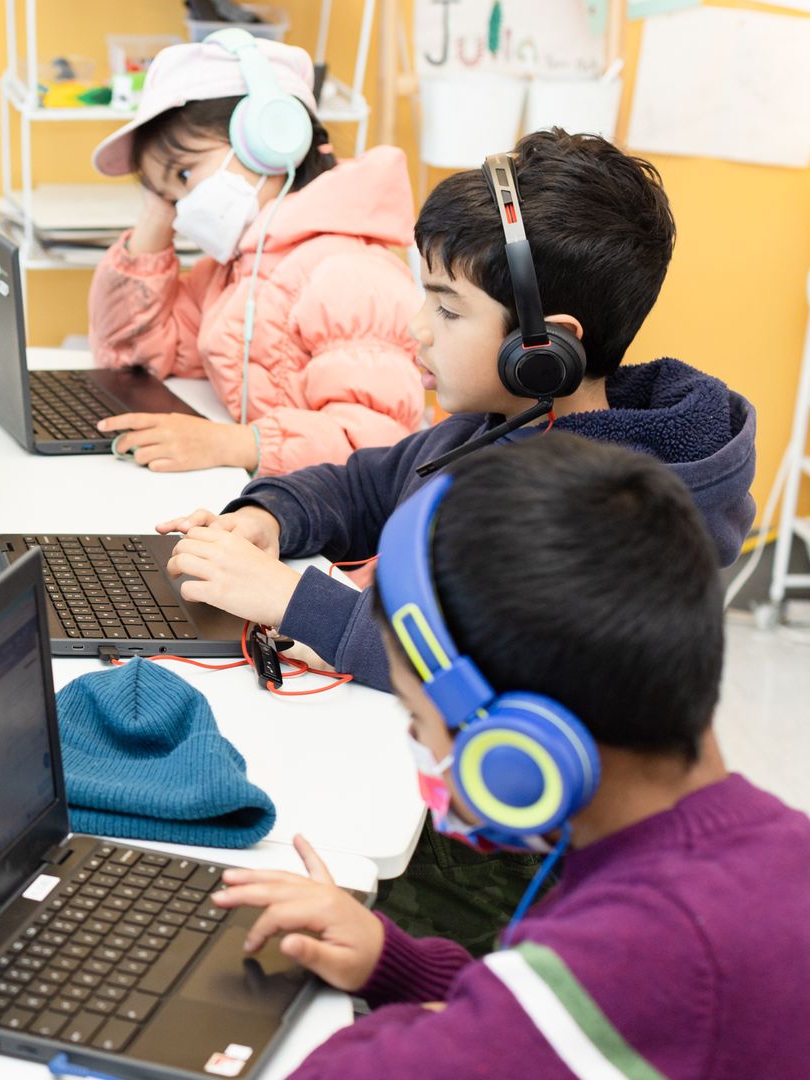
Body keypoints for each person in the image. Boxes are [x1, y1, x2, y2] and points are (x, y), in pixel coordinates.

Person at [161, 129, 756, 950]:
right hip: (417, 771)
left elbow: (484, 674)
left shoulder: (590, 511)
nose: (416, 328)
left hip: (497, 850)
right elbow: (371, 480)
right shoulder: (497, 421)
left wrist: (295, 602)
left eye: (446, 308)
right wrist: (269, 514)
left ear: (543, 346)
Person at [209, 434, 810, 1076]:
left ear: (512, 749)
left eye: (418, 717)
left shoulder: (649, 951)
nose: (418, 743)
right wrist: (395, 962)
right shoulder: (773, 845)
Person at [86, 33, 422, 476]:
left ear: (272, 140)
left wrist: (239, 444)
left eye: (184, 175)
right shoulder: (230, 272)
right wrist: (157, 211)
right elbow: (132, 356)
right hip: (277, 508)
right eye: (167, 195)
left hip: (338, 538)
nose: (181, 208)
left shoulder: (349, 274)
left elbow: (378, 451)